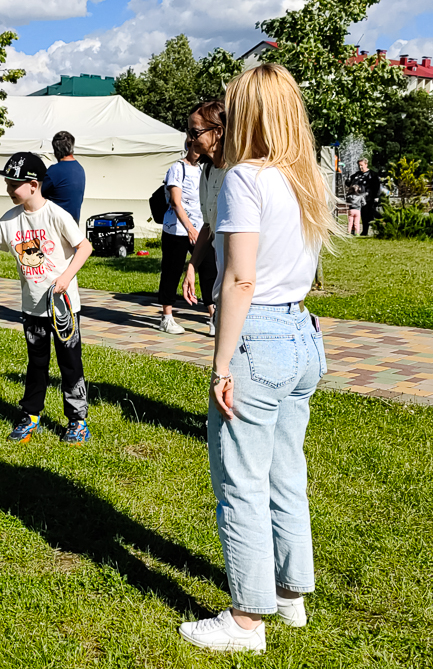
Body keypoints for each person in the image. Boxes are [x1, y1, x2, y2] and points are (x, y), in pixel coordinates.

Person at [177, 64, 336, 654]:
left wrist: (221, 365)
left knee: (240, 482)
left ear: (251, 112)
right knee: (285, 470)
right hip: (301, 334)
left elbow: (240, 280)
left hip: (260, 336)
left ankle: (247, 620)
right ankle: (290, 595)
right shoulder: (308, 177)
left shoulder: (245, 177)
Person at [0, 152, 94, 445]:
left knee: (70, 364)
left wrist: (65, 278)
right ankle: (31, 415)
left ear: (34, 185)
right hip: (33, 308)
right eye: (8, 184)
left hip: (63, 309)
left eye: (15, 184)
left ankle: (77, 421)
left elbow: (84, 248)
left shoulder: (56, 214)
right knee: (36, 364)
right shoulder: (10, 220)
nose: (9, 190)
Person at [158, 139, 216, 335]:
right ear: (189, 146)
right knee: (171, 271)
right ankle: (167, 317)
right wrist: (189, 228)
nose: (199, 152)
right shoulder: (177, 168)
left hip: (201, 229)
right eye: (195, 147)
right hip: (176, 230)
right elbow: (176, 202)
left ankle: (213, 315)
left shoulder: (203, 170)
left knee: (209, 269)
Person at [182, 100, 228, 329]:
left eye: (195, 131)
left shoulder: (240, 172)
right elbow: (208, 226)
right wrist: (192, 266)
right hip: (225, 282)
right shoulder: (207, 172)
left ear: (218, 132)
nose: (190, 139)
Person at [42, 131, 85, 223]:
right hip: (73, 223)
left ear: (56, 150)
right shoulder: (80, 168)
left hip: (55, 225)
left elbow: (36, 194)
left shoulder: (54, 171)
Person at [346, 158, 381, 236]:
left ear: (366, 164)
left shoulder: (372, 175)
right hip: (358, 199)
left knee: (370, 214)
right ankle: (359, 231)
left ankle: (380, 224)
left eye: (361, 165)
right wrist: (348, 181)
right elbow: (349, 184)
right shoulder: (356, 175)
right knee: (361, 215)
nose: (360, 167)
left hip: (369, 198)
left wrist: (376, 197)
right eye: (359, 165)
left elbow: (377, 186)